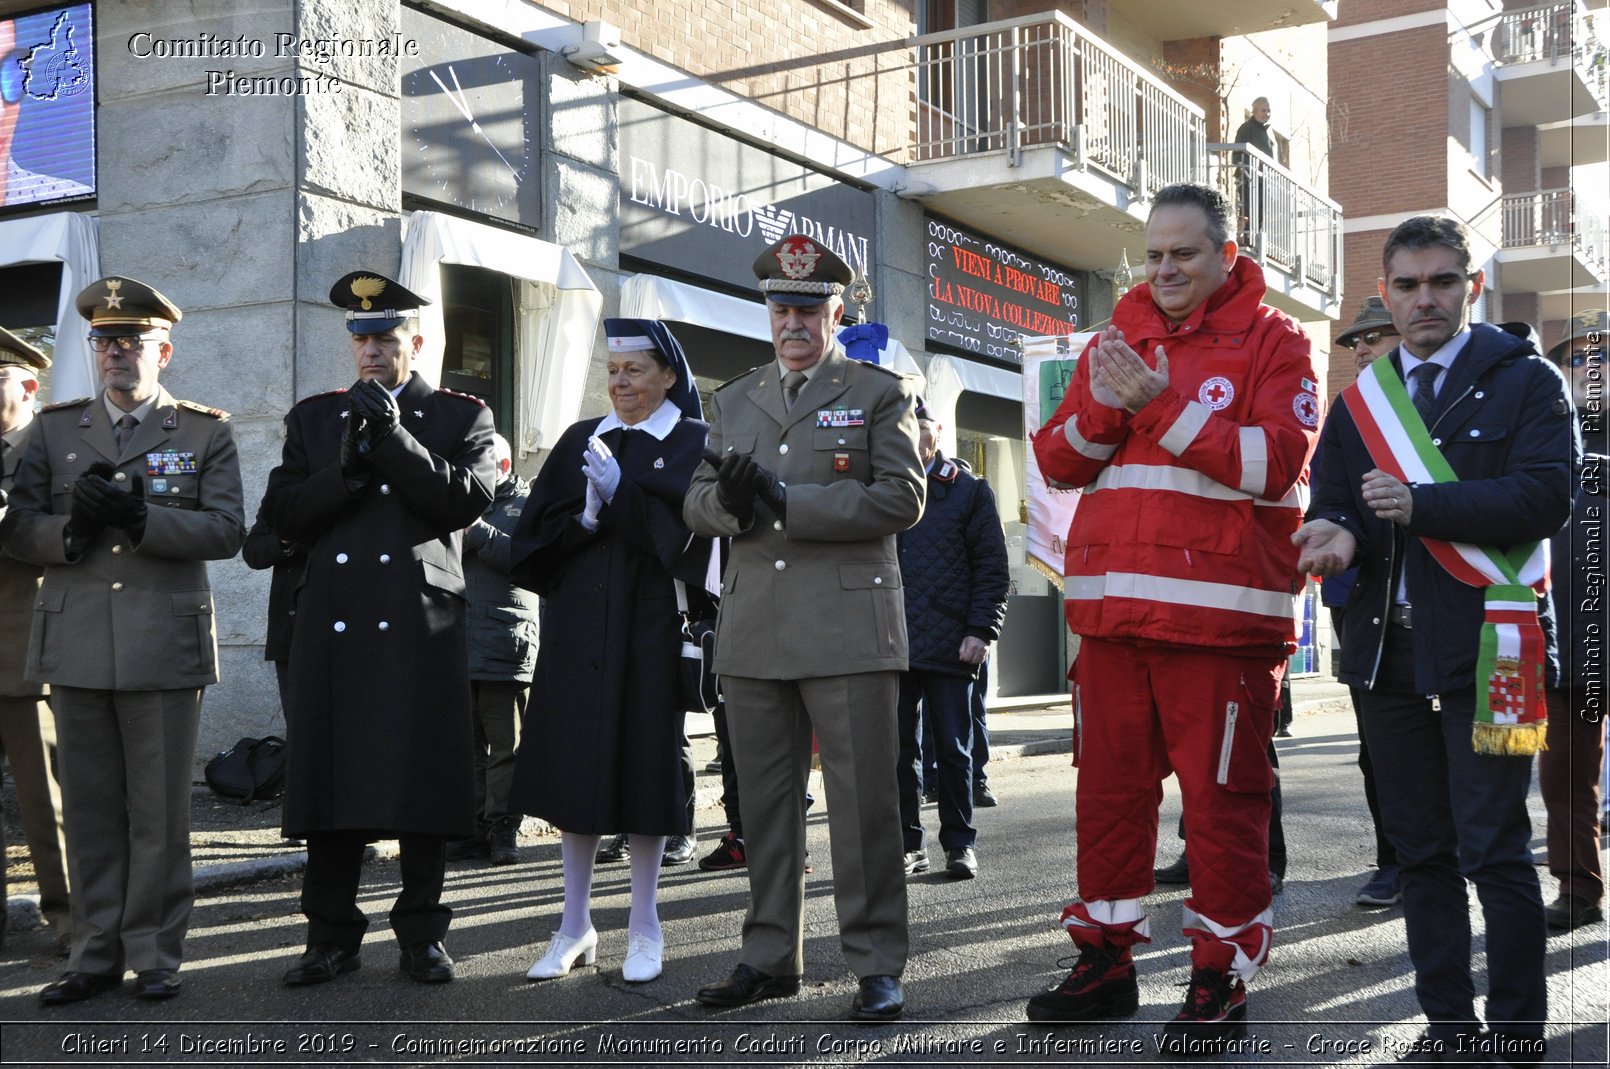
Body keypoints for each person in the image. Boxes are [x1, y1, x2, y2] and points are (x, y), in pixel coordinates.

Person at [1027, 183, 1318, 1047]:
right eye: (1152, 254)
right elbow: (1054, 459)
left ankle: (1218, 976)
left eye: (1183, 254)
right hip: (1113, 621)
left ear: (1226, 257)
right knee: (1107, 799)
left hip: (1222, 628)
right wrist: (1114, 402)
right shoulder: (1117, 337)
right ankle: (1105, 961)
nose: (1164, 269)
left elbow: (1275, 464)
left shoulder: (1278, 341)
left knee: (1224, 809)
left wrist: (1155, 403)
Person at [1294, 215, 1575, 1063]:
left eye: (1443, 281)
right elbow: (1334, 501)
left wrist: (1423, 504)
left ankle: (1518, 1037)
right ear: (1385, 292)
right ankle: (1450, 1028)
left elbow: (1546, 497)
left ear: (1470, 287)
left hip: (1500, 646)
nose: (1426, 298)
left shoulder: (1526, 382)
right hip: (1387, 654)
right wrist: (1336, 534)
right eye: (1408, 284)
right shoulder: (1359, 404)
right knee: (1421, 852)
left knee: (1496, 851)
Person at [685, 233, 924, 1022]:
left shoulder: (877, 391)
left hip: (849, 623)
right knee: (764, 803)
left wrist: (787, 500)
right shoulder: (735, 397)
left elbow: (900, 499)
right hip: (757, 626)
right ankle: (768, 954)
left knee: (863, 807)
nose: (793, 323)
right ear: (768, 313)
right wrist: (736, 505)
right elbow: (696, 500)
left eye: (808, 310)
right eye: (781, 309)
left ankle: (877, 960)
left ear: (837, 311)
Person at [2, 277, 246, 1004]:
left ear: (161, 350)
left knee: (160, 812)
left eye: (130, 341)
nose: (115, 352)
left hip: (160, 649)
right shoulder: (55, 428)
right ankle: (92, 951)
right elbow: (16, 525)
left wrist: (143, 520)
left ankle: (155, 952)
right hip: (75, 644)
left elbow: (227, 529)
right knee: (90, 808)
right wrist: (70, 531)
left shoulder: (204, 431)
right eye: (104, 341)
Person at [264, 271, 496, 987]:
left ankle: (423, 934)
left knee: (421, 783)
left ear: (416, 343)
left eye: (385, 338)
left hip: (417, 625)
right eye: (361, 338)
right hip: (334, 623)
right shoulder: (313, 418)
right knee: (332, 787)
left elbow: (465, 499)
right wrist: (345, 469)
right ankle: (329, 935)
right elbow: (284, 516)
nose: (370, 350)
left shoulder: (463, 416)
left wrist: (391, 438)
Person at [509, 317, 710, 985]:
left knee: (645, 773)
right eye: (613, 371)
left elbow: (690, 549)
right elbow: (528, 552)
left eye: (634, 370)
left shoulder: (691, 444)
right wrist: (584, 519)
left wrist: (623, 497)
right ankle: (573, 924)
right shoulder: (578, 440)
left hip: (648, 635)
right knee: (576, 776)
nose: (619, 383)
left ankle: (646, 923)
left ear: (668, 376)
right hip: (576, 636)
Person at [896, 406, 1008, 880]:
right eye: (907, 430)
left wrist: (982, 631)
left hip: (951, 644)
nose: (916, 439)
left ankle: (959, 844)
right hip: (891, 644)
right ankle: (906, 844)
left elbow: (992, 569)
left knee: (954, 751)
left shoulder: (969, 491)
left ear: (938, 434)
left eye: (924, 430)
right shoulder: (883, 490)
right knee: (898, 752)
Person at [1324, 295, 1402, 910]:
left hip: (1440, 599)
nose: (1362, 349)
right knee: (1377, 747)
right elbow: (1327, 497)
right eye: (1355, 341)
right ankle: (1392, 861)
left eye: (1375, 336)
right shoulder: (1346, 412)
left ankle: (1441, 858)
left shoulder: (1433, 408)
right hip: (1362, 602)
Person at [0, 327, 71, 950]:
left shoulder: (54, 449)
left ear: (27, 383)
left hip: (25, 650)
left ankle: (73, 922)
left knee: (46, 805)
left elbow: (64, 541)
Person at [1540, 310, 1606, 932]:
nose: (1591, 369)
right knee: (1564, 776)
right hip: (1571, 645)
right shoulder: (1545, 443)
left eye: (1603, 358)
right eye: (1577, 360)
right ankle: (1578, 888)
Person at [451, 432, 539, 866]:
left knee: (507, 746)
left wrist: (478, 532)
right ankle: (474, 827)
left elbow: (530, 562)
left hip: (507, 642)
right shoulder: (460, 502)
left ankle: (504, 829)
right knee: (468, 748)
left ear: (502, 467)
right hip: (460, 644)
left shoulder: (528, 506)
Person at [241, 418, 308, 726]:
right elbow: (253, 551)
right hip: (293, 634)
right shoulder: (282, 481)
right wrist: (285, 539)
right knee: (303, 736)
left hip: (346, 629)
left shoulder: (349, 475)